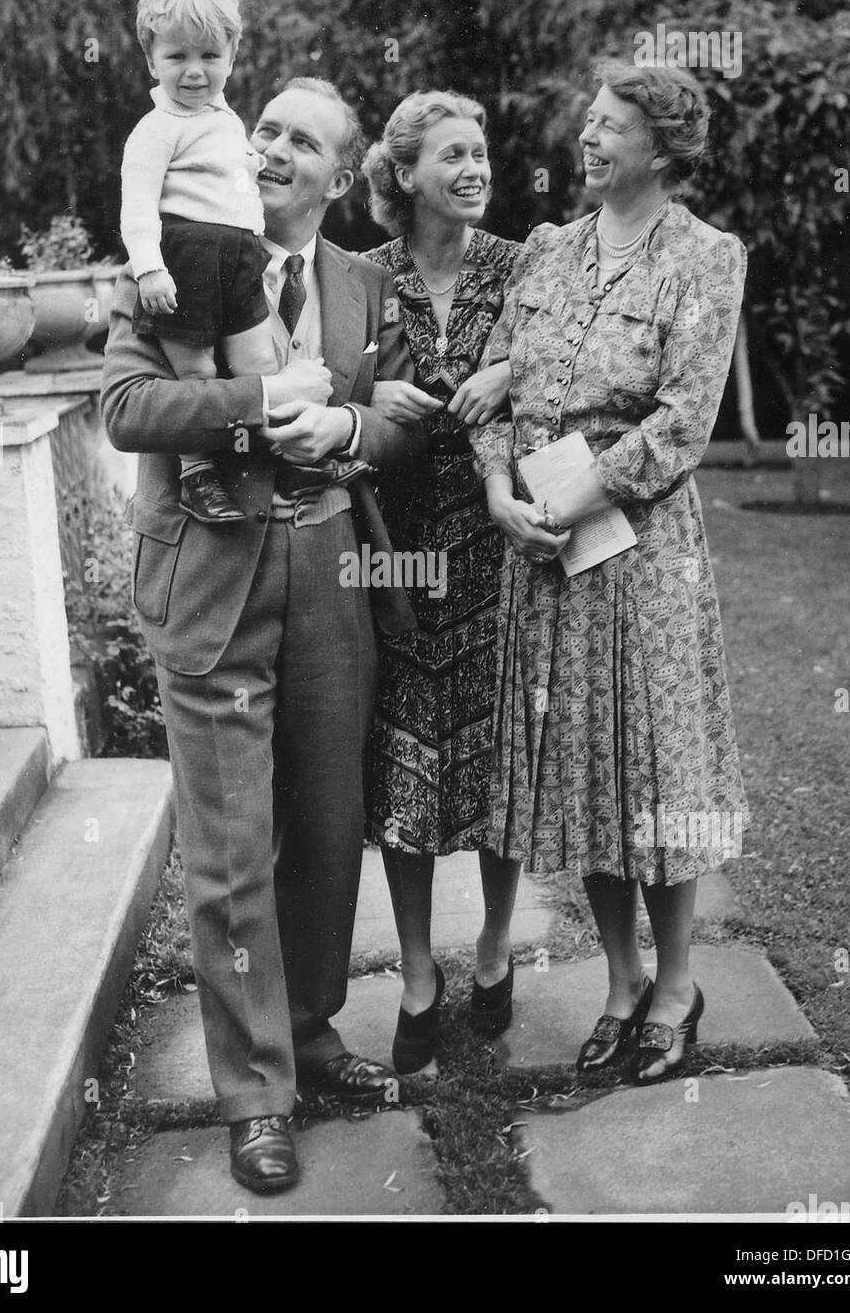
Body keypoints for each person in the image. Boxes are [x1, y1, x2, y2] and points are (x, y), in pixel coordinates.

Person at [102, 76, 423, 1193]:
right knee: (233, 845)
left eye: (305, 142)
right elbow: (126, 408)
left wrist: (344, 418)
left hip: (332, 564)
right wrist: (255, 398)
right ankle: (254, 1094)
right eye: (267, 131)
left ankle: (311, 1030)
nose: (276, 150)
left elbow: (401, 415)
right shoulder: (173, 256)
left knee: (330, 826)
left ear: (341, 178)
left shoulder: (363, 280)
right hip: (211, 573)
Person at [471, 59, 748, 1086]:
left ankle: (677, 986)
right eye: (588, 122)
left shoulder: (705, 258)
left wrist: (581, 494)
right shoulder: (547, 251)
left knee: (657, 778)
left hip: (641, 557)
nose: (587, 140)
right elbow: (495, 390)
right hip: (544, 557)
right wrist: (501, 494)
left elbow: (685, 419)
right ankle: (622, 981)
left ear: (663, 149)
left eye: (612, 126)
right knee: (584, 771)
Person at [359, 91, 523, 1073]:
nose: (474, 168)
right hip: (400, 552)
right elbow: (328, 382)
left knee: (497, 765)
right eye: (453, 155)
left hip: (499, 548)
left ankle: (498, 946)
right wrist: (368, 392)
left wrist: (505, 374)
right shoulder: (364, 277)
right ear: (406, 173)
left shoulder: (520, 265)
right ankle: (419, 972)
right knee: (405, 774)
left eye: (482, 153)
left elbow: (568, 356)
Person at [121, 0, 364, 526]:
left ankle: (297, 460)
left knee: (262, 364)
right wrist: (150, 269)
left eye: (209, 56)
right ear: (151, 61)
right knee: (199, 373)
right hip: (182, 264)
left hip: (236, 258)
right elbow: (137, 205)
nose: (194, 71)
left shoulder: (224, 120)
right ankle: (196, 474)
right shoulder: (155, 129)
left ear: (231, 57)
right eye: (177, 57)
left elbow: (228, 170)